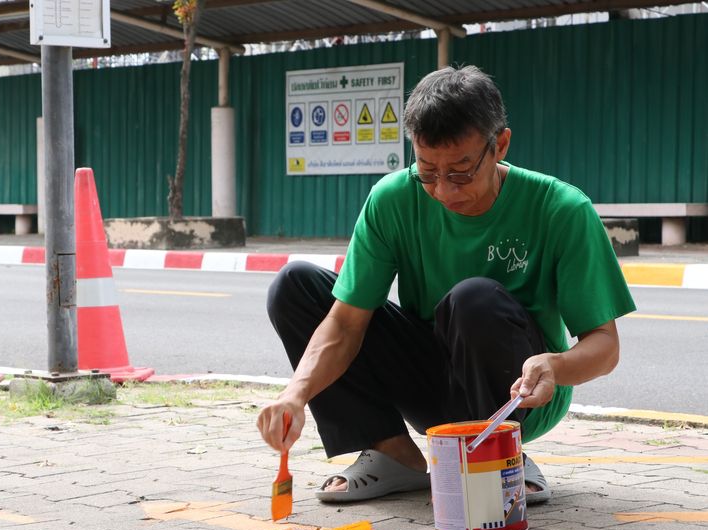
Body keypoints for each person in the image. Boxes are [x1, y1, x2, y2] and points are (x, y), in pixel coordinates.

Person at [256, 65, 636, 505]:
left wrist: (555, 366)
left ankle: (502, 451)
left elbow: (605, 346)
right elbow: (344, 325)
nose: (443, 191)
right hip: (430, 382)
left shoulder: (561, 209)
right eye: (427, 170)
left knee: (474, 298)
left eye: (460, 172)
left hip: (522, 392)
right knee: (296, 285)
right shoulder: (392, 199)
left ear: (500, 145)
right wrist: (296, 394)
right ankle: (392, 453)